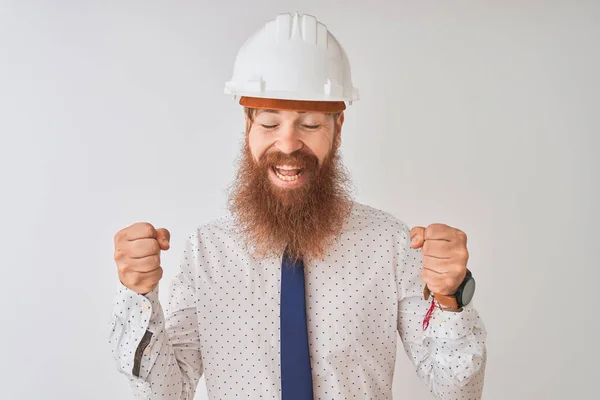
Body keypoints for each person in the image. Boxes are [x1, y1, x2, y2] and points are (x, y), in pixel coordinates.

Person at [109, 12, 487, 400]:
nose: (288, 145)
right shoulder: (206, 250)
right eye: (271, 124)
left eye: (308, 125)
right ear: (248, 127)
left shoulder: (389, 243)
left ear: (337, 130)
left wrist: (449, 299)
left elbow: (456, 390)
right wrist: (138, 297)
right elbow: (165, 394)